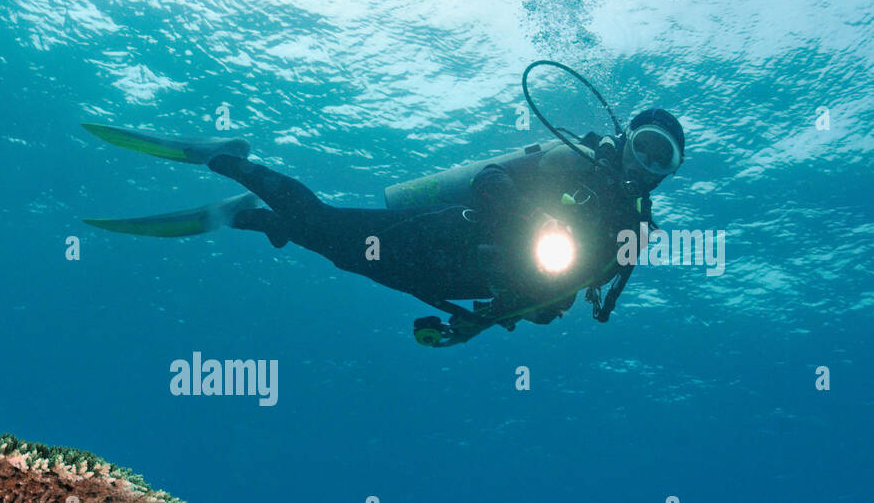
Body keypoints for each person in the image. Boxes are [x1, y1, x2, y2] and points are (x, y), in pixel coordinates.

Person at [82, 105, 684, 347]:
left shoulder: (632, 232)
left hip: (455, 284)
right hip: (447, 232)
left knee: (333, 249)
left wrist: (469, 329)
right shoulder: (570, 160)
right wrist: (538, 219)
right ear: (627, 137)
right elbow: (492, 181)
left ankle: (244, 215)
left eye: (664, 160)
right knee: (324, 224)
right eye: (647, 146)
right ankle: (226, 157)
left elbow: (551, 299)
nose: (648, 164)